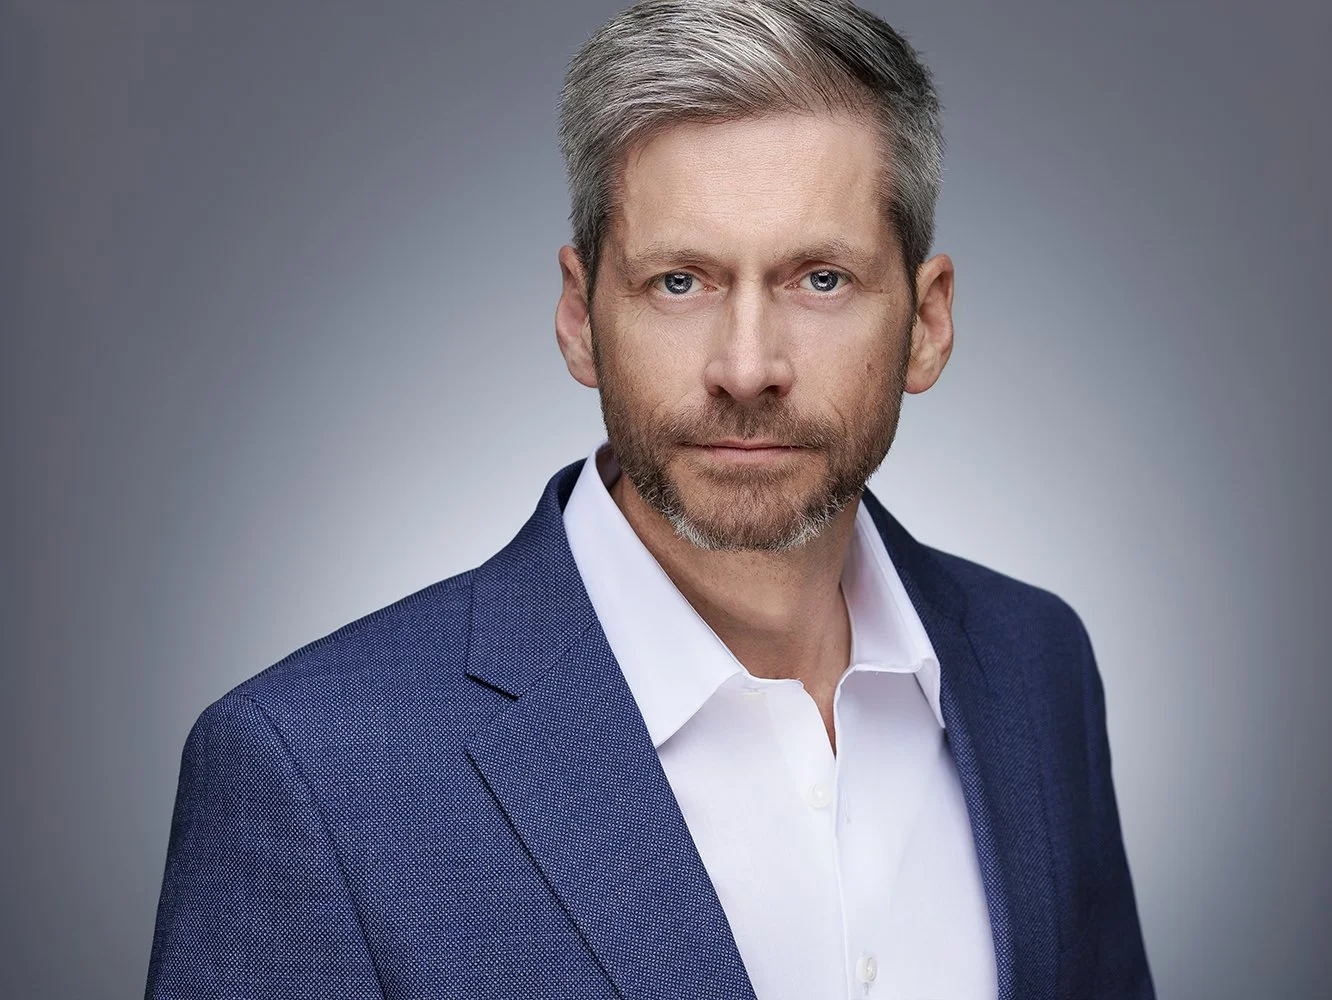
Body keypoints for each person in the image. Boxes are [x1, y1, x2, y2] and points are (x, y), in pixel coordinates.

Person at [144, 1, 1154, 997]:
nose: (749, 368)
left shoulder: (1037, 666)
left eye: (821, 279)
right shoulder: (309, 770)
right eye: (680, 281)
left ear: (927, 324)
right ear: (580, 318)